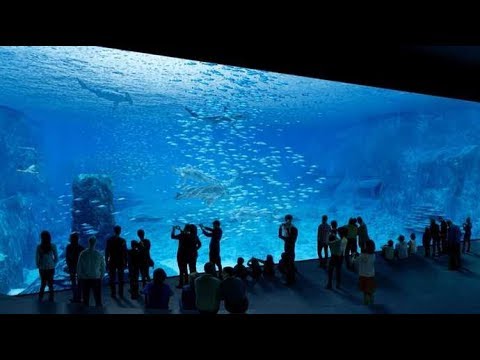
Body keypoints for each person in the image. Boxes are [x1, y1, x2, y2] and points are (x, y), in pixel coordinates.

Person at [77, 236, 106, 307]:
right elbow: (103, 267)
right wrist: (101, 276)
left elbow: (79, 266)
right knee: (98, 297)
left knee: (85, 298)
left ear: (88, 242)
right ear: (95, 243)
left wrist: (80, 276)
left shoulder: (83, 254)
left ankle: (86, 310)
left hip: (85, 278)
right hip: (96, 278)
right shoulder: (99, 254)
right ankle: (99, 310)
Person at [171, 224, 202, 288]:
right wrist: (194, 249)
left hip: (182, 255)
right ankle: (194, 283)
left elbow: (172, 236)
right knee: (193, 269)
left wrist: (173, 229)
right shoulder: (195, 236)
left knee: (182, 270)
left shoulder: (182, 235)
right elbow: (199, 244)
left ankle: (182, 283)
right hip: (193, 255)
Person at [105, 225, 128, 298]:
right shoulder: (123, 240)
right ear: (120, 231)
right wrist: (126, 262)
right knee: (121, 278)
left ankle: (113, 293)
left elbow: (107, 252)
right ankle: (120, 293)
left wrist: (106, 262)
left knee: (112, 278)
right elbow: (125, 252)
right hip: (121, 261)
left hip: (112, 261)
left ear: (114, 231)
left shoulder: (109, 240)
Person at [36, 230, 58, 302]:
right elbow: (56, 257)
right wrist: (53, 264)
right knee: (51, 284)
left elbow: (37, 258)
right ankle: (51, 299)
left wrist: (39, 265)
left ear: (41, 238)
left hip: (42, 268)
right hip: (51, 267)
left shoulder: (39, 247)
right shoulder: (53, 246)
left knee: (43, 284)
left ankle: (40, 299)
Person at [65, 231, 84, 303]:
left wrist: (69, 266)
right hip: (79, 268)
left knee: (73, 283)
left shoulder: (68, 247)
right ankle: (79, 297)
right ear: (77, 239)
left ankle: (75, 297)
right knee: (79, 283)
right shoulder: (81, 248)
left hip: (72, 267)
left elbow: (67, 258)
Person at [358, 239, 376, 305]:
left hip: (362, 275)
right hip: (371, 275)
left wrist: (354, 256)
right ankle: (371, 297)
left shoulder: (361, 256)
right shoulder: (373, 255)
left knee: (364, 290)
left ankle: (366, 300)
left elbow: (356, 261)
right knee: (370, 288)